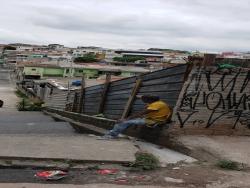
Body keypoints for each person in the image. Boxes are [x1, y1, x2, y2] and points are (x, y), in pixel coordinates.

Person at [101, 95, 171, 139]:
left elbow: (141, 113)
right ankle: (114, 133)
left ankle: (112, 135)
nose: (144, 102)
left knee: (124, 122)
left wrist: (125, 119)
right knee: (127, 121)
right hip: (152, 118)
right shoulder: (159, 102)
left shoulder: (156, 105)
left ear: (149, 100)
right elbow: (142, 98)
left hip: (154, 121)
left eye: (145, 101)